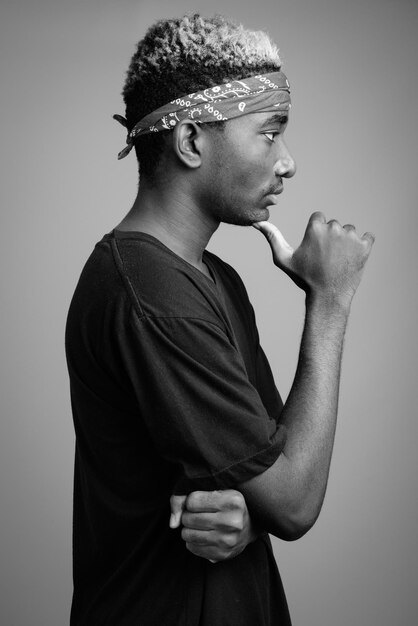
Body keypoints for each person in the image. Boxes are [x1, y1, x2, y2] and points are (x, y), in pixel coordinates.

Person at [65, 13, 374, 626]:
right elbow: (294, 500)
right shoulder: (151, 293)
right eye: (269, 132)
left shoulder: (212, 278)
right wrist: (330, 301)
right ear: (190, 142)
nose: (287, 162)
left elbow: (273, 462)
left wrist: (251, 513)